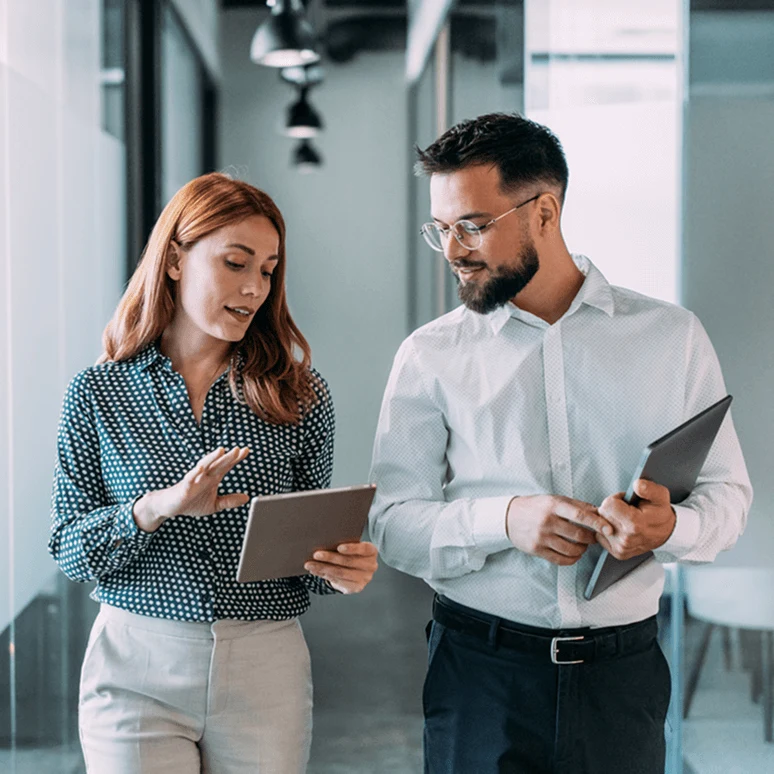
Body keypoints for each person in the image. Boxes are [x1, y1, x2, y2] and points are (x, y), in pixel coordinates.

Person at [368, 113, 752, 774]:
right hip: (480, 677)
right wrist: (506, 521)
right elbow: (390, 525)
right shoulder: (429, 356)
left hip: (622, 678)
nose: (455, 248)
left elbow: (729, 498)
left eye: (473, 225)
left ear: (544, 211)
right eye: (442, 230)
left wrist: (669, 528)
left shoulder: (670, 338)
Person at [49, 172, 378, 774]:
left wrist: (342, 570)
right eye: (236, 263)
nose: (255, 288)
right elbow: (71, 550)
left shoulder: (300, 396)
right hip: (135, 661)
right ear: (175, 259)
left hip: (265, 664)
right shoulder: (98, 392)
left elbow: (308, 562)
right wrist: (156, 507)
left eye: (269, 270)